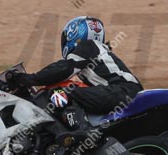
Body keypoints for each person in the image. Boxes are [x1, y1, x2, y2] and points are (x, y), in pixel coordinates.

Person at [11, 16, 143, 144]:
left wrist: (28, 79)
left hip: (122, 91)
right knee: (72, 89)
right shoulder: (97, 51)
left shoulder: (88, 46)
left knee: (63, 92)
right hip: (123, 91)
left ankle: (84, 131)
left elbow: (63, 69)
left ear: (75, 34)